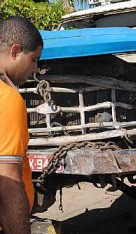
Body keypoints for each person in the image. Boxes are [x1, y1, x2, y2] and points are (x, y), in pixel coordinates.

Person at [0, 16, 43, 234]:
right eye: (34, 59)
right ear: (15, 51)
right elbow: (7, 183)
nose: (35, 68)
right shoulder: (6, 98)